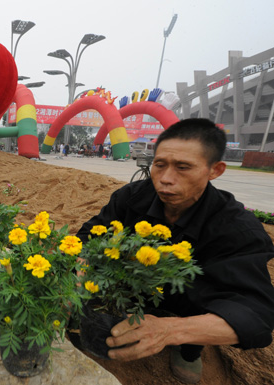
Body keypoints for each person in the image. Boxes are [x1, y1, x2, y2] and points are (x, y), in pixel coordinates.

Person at [76, 118, 274, 384]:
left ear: (215, 170)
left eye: (183, 167)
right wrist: (77, 275)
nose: (165, 180)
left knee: (198, 295)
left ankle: (190, 350)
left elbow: (256, 314)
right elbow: (89, 236)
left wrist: (171, 331)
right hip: (131, 288)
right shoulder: (132, 198)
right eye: (160, 165)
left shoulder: (237, 230)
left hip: (190, 302)